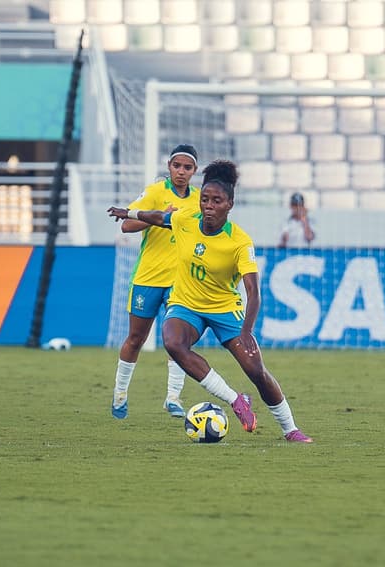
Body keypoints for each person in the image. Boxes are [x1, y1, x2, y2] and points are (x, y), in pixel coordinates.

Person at [107, 159, 313, 443]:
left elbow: (253, 291)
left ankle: (291, 429)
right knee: (173, 343)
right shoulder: (185, 221)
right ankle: (236, 400)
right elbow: (157, 217)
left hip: (224, 309)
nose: (208, 205)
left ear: (230, 204)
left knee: (257, 371)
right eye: (204, 199)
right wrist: (128, 212)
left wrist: (247, 331)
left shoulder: (239, 242)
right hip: (186, 305)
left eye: (217, 200)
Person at [109, 144, 201, 420]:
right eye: (177, 166)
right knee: (136, 338)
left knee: (178, 341)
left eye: (187, 167)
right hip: (148, 277)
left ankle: (173, 397)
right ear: (169, 167)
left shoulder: (199, 200)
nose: (181, 172)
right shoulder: (155, 192)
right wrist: (159, 219)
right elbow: (126, 224)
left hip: (180, 282)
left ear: (194, 171)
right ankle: (120, 392)